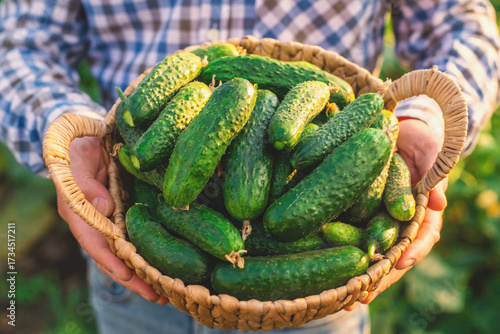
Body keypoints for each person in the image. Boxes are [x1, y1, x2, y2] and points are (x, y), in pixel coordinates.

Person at [1, 0, 499, 333]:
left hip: (314, 303)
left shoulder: (313, 133)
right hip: (132, 261)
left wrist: (428, 115)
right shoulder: (204, 107)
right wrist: (68, 132)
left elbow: (462, 23)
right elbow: (18, 45)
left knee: (270, 173)